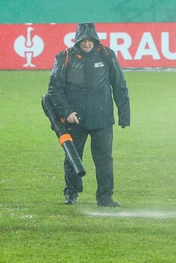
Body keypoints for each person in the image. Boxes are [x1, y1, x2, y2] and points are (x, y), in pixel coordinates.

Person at [47, 23, 130, 207]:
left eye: (89, 40)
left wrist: (124, 115)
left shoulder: (107, 54)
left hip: (102, 118)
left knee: (104, 160)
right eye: (83, 40)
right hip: (75, 120)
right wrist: (67, 112)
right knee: (72, 158)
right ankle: (71, 194)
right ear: (77, 40)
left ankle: (105, 197)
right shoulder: (64, 57)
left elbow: (119, 85)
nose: (86, 44)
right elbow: (54, 89)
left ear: (95, 40)